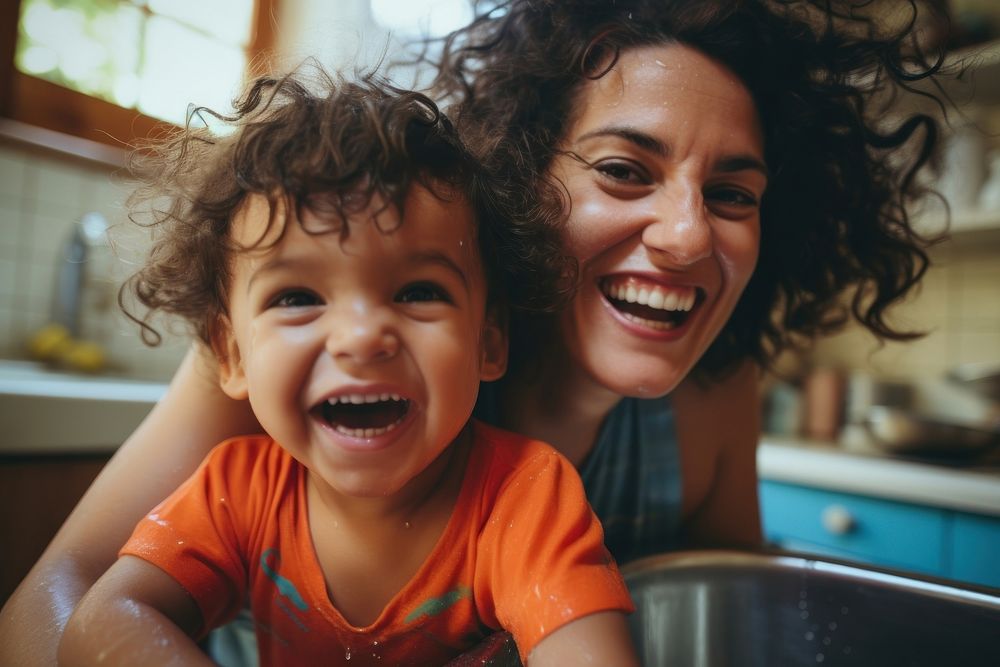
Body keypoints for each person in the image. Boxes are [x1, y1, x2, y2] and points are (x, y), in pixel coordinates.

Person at [1, 1, 945, 664]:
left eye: (732, 194)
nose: (690, 233)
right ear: (523, 181)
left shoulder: (713, 396)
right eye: (624, 170)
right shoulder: (310, 344)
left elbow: (734, 617)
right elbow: (54, 610)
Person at [55, 70, 638, 667]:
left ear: (488, 339)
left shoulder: (523, 497)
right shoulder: (235, 493)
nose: (361, 338)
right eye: (297, 298)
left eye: (417, 291)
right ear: (231, 355)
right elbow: (103, 619)